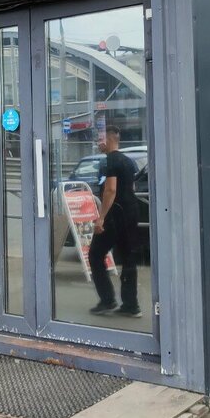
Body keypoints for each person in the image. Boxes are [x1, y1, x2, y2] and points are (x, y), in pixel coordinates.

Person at [89, 125, 142, 318]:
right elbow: (132, 187)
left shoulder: (110, 161)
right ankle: (131, 305)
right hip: (131, 213)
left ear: (110, 139)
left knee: (95, 255)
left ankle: (107, 300)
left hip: (115, 215)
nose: (98, 143)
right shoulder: (128, 161)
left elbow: (110, 190)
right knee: (128, 258)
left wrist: (101, 217)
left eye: (100, 139)